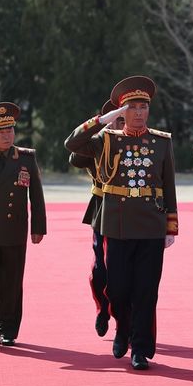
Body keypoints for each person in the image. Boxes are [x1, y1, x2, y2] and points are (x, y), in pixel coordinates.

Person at [65, 75, 178, 370]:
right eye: (132, 107)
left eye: (143, 107)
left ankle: (140, 349)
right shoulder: (107, 139)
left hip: (151, 225)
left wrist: (171, 226)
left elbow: (169, 185)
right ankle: (122, 329)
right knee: (117, 289)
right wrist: (104, 118)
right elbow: (72, 143)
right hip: (117, 224)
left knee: (146, 290)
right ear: (122, 111)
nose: (139, 113)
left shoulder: (161, 142)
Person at [0, 102, 46, 347]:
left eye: (11, 130)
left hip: (13, 232)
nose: (8, 135)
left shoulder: (26, 158)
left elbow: (36, 196)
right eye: (2, 132)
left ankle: (6, 330)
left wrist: (38, 226)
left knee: (11, 284)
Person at [68, 99, 124, 337]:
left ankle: (125, 321)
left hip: (130, 210)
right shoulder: (100, 143)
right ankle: (103, 309)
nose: (121, 124)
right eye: (117, 119)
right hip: (102, 207)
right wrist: (99, 131)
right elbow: (74, 157)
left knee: (124, 271)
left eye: (124, 119)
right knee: (100, 270)